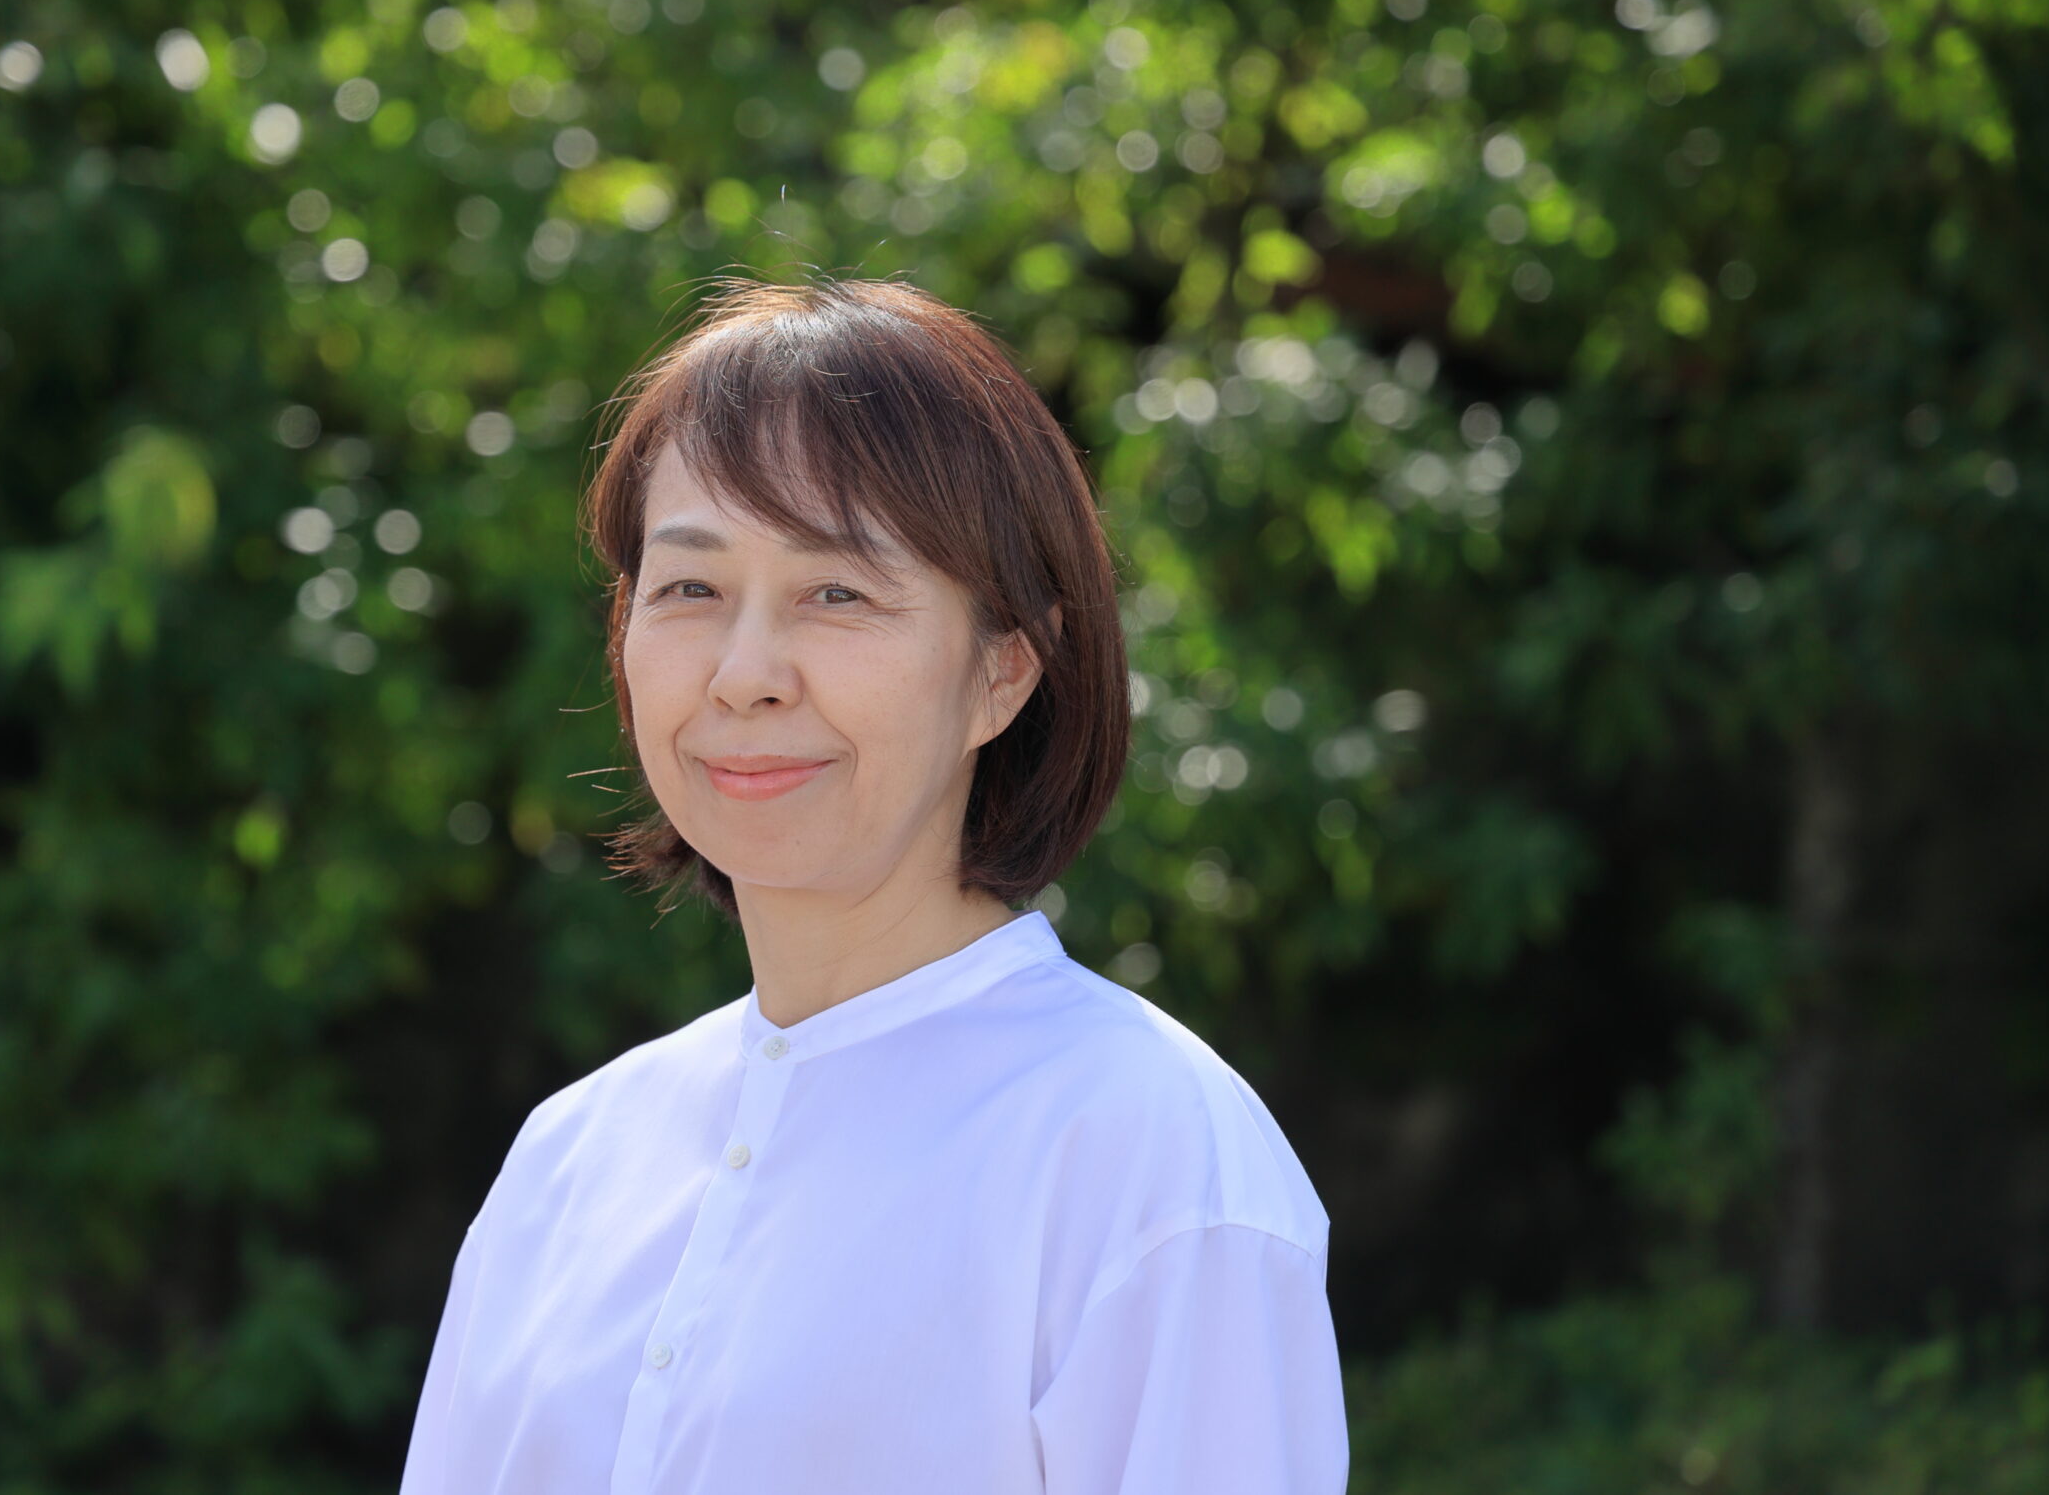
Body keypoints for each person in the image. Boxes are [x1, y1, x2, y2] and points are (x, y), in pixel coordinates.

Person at [397, 273, 1346, 1494]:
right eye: (689, 589)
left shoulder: (1145, 1157)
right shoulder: (569, 1162)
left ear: (1004, 670)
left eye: (835, 592)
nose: (744, 673)